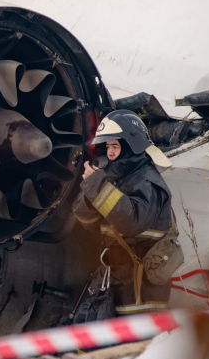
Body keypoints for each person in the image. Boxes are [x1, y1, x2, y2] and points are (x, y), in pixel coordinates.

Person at [72, 110, 181, 316]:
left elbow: (131, 222)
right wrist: (91, 185)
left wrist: (97, 185)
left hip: (141, 295)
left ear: (132, 146)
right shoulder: (113, 178)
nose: (110, 153)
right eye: (108, 146)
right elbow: (85, 219)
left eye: (115, 146)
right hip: (114, 283)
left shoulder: (148, 182)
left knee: (134, 347)